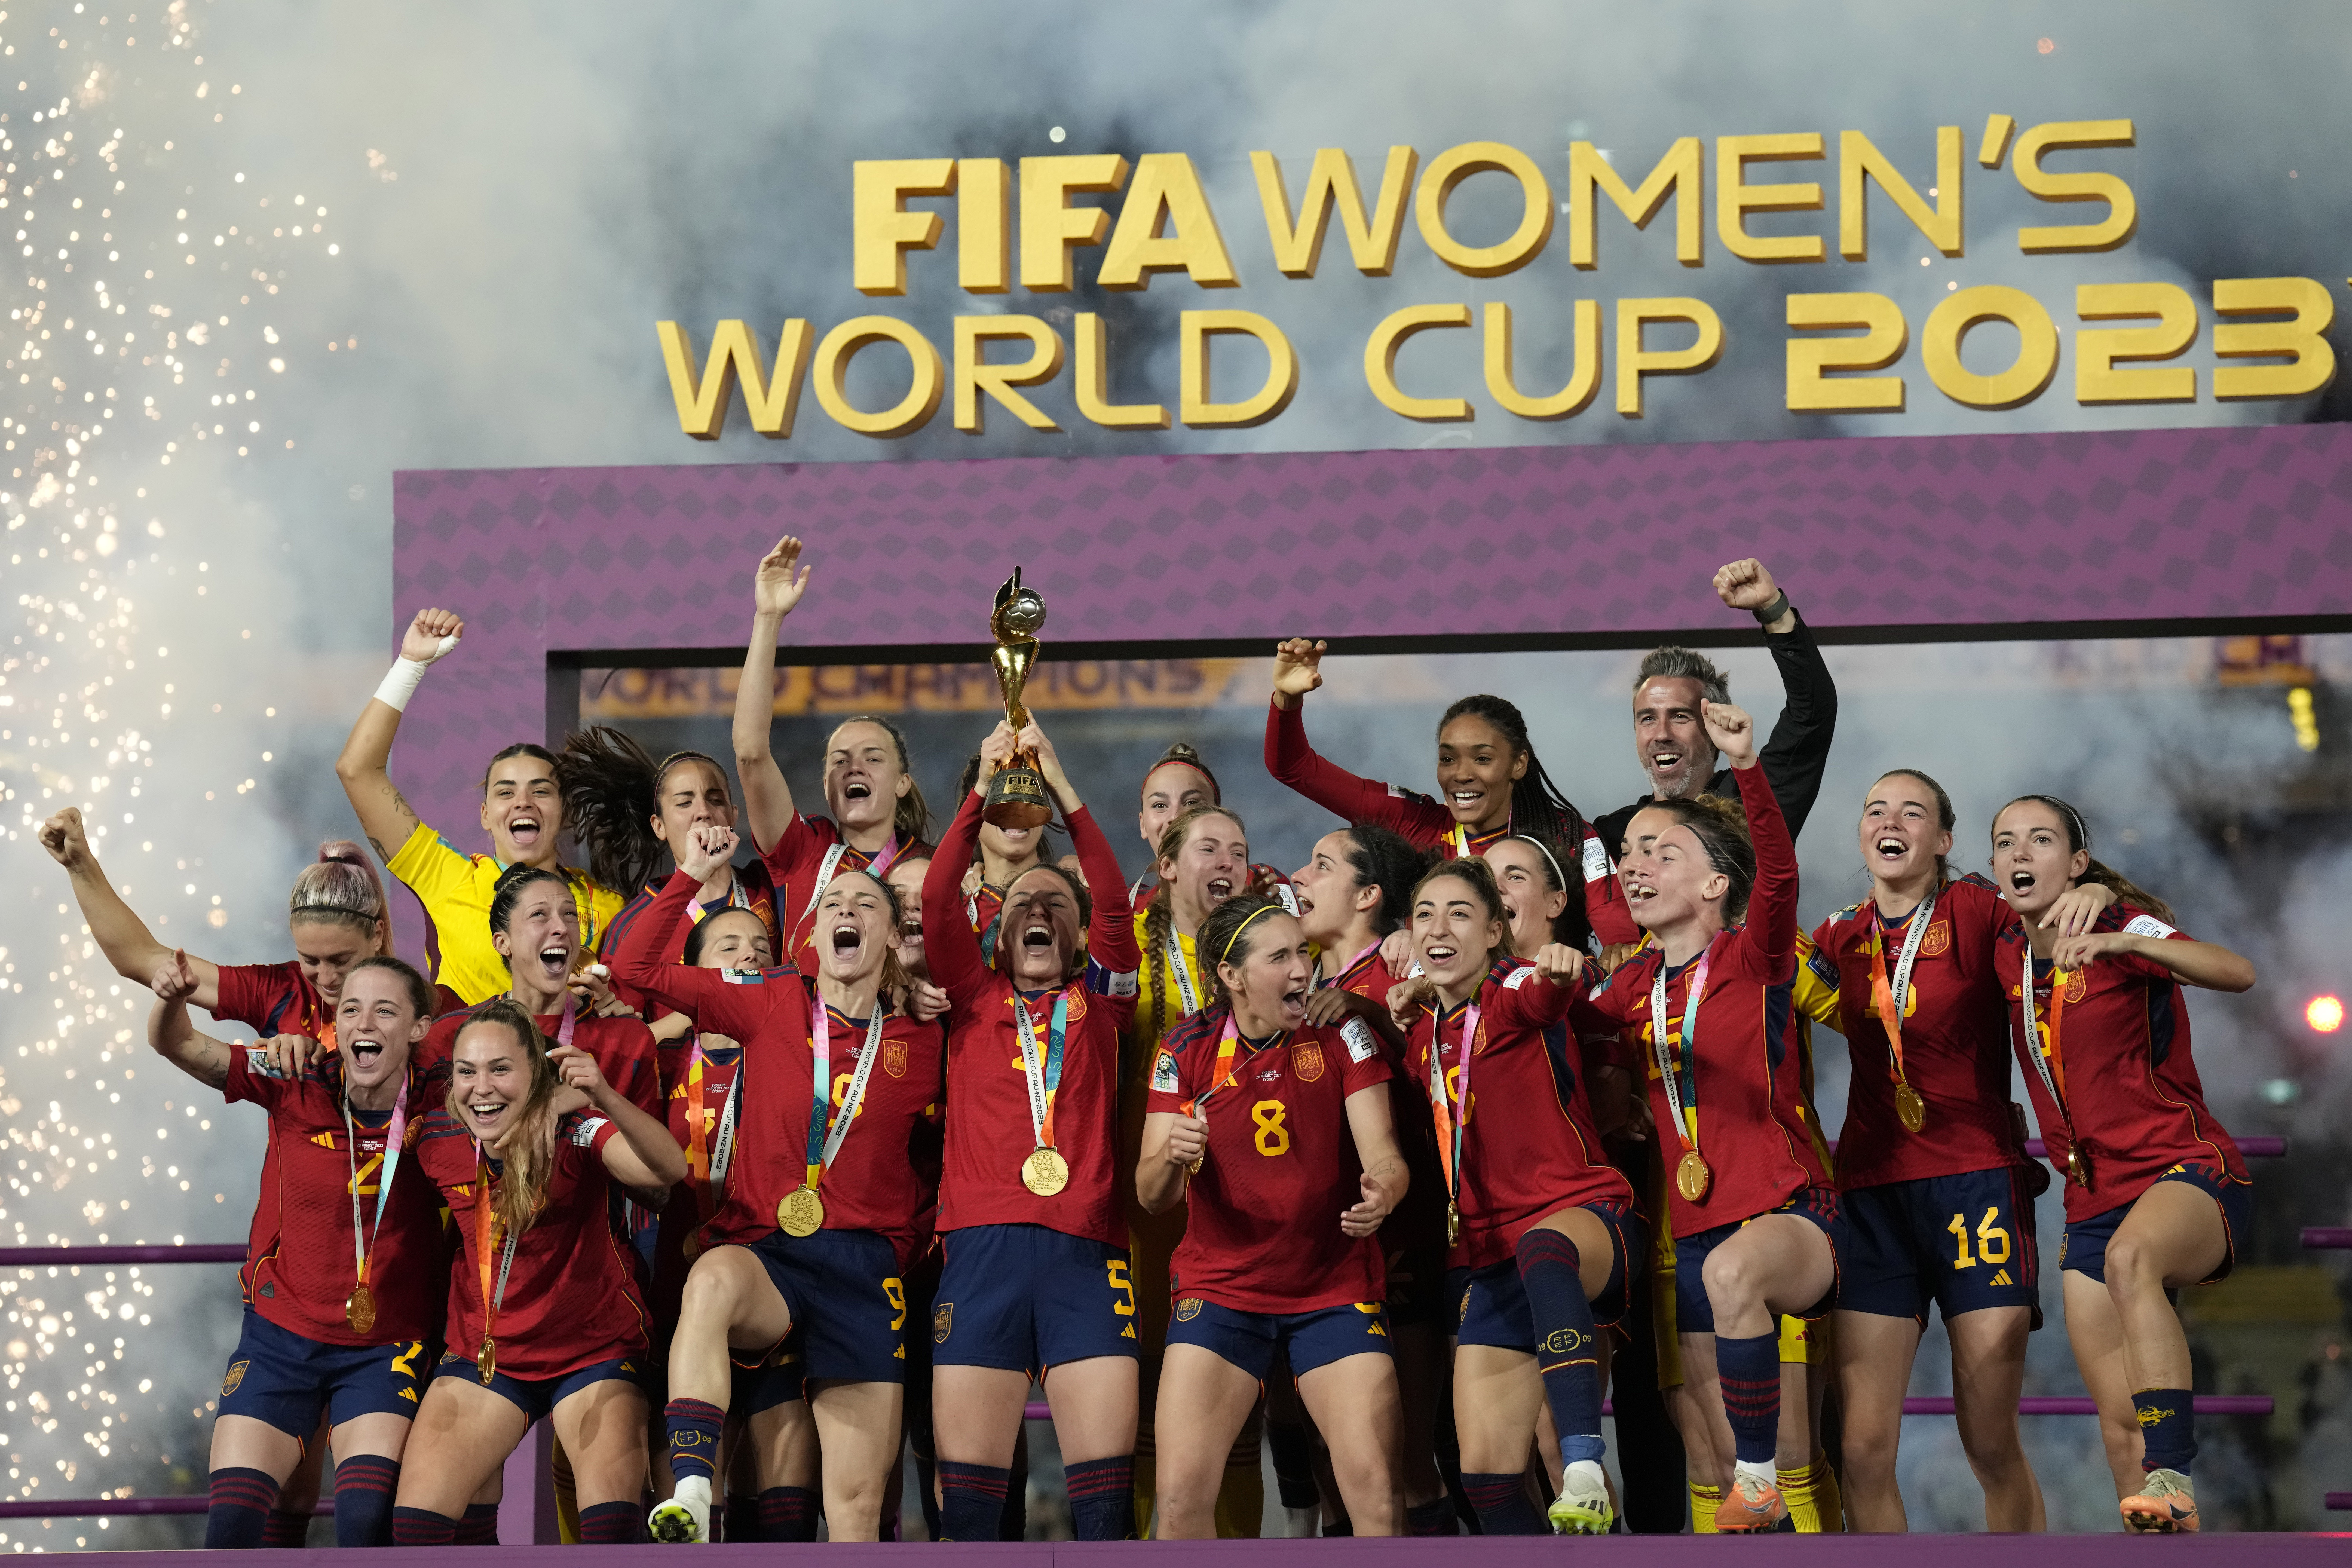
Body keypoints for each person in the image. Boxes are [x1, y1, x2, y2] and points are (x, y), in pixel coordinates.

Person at [615, 825, 946, 1543]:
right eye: (832, 905)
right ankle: (696, 1494)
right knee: (710, 1282)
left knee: (856, 1511)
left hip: (865, 1274)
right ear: (813, 935)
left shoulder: (927, 1037)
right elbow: (634, 968)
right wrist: (689, 876)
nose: (846, 912)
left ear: (891, 937)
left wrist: (907, 1242)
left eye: (866, 905)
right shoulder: (769, 1001)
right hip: (770, 1254)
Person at [1812, 771, 2113, 1532]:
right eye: (1876, 808)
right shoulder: (1837, 936)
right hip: (1872, 1194)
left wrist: (2102, 899)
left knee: (1988, 1439)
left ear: (1942, 842)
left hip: (1975, 1185)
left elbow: (2052, 931)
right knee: (1863, 1447)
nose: (1891, 820)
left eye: (1913, 812)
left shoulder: (1978, 911)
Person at [1573, 699, 1832, 1533]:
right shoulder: (1629, 985)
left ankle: (1762, 1481)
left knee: (1775, 1461)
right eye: (1630, 854)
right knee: (1710, 1465)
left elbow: (1781, 878)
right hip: (1689, 1231)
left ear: (1717, 881)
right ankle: (1754, 1497)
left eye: (1662, 851)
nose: (1635, 865)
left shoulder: (1752, 955)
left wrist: (1749, 765)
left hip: (1789, 1212)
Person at [1988, 795, 2256, 1533]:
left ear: (2076, 864)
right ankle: (2163, 1517)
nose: (2020, 854)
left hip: (2186, 1171)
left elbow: (2235, 972)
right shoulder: (2004, 948)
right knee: (2119, 1431)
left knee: (2133, 1261)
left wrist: (2121, 940)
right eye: (2005, 842)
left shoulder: (2120, 926)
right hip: (2091, 1199)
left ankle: (2176, 1475)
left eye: (2041, 840)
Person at [920, 718, 1142, 1542]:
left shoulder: (1105, 1005)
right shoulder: (974, 998)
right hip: (980, 1254)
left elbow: (1116, 900)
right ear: (996, 934)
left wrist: (1063, 784)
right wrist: (981, 787)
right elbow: (937, 899)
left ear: (1082, 936)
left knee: (1106, 1510)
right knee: (973, 1519)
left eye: (1057, 904)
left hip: (1088, 1255)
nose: (1039, 908)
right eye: (1022, 904)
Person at [145, 953, 442, 1550]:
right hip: (280, 1338)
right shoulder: (294, 1075)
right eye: (352, 1008)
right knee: (232, 1527)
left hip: (385, 1348)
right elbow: (178, 1044)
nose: (364, 1023)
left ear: (418, 1029)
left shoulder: (448, 1102)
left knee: (363, 1522)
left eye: (386, 1011)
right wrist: (171, 998)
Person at [1138, 895, 1410, 1537]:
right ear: (1232, 975)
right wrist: (1171, 1155)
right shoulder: (1186, 1047)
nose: (1301, 970)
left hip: (1333, 1286)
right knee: (1177, 1499)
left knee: (1375, 1491)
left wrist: (1385, 1193)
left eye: (1304, 953)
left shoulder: (1341, 1032)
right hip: (1223, 1289)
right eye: (1281, 956)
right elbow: (1153, 1194)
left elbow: (1388, 1157)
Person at [1387, 859, 1638, 1536]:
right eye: (1426, 913)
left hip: (1583, 1219)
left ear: (1497, 929)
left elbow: (1542, 995)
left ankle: (1585, 1464)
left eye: (1461, 913)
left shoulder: (1511, 989)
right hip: (1489, 1254)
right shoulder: (1425, 1035)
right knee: (1488, 1476)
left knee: (1544, 1246)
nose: (1439, 927)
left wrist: (1557, 970)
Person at [390, 1000, 685, 1545]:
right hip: (490, 1355)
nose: (482, 1088)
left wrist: (602, 1096)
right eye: (467, 1072)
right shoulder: (434, 1139)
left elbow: (667, 1169)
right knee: (416, 1531)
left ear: (535, 1075)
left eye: (501, 1070)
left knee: (612, 1530)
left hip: (594, 1351)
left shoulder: (574, 1129)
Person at [626, 904, 822, 1543]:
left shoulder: (799, 1059)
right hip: (681, 1301)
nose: (750, 955)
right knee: (686, 1512)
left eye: (763, 946)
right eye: (730, 944)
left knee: (782, 1503)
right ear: (694, 972)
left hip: (775, 1289)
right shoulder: (655, 1063)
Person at [1291, 824, 1454, 1535]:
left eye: (1321, 865)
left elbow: (1436, 1079)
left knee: (1407, 1468)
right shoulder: (1319, 986)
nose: (1301, 875)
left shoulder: (1396, 977)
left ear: (1368, 895)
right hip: (1333, 1260)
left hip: (1408, 1248)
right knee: (1340, 1470)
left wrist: (1373, 1014)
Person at [336, 607, 627, 1003]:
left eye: (541, 791)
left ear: (566, 813)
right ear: (486, 816)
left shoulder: (607, 907)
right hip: (467, 1064)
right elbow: (358, 771)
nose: (523, 802)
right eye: (505, 792)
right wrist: (411, 665)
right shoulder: (447, 878)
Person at [1265, 643, 1626, 948]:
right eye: (1448, 759)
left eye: (1482, 759)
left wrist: (1616, 955)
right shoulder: (1416, 823)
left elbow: (1617, 933)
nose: (1461, 774)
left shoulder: (1569, 835)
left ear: (1518, 765)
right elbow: (1295, 768)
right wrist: (1287, 700)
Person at [1125, 803, 1261, 1535]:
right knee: (1152, 1403)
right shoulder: (1121, 953)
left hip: (1244, 1210)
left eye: (1238, 852)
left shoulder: (1272, 954)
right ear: (1167, 865)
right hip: (1150, 1206)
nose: (1226, 864)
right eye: (1209, 849)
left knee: (1238, 1415)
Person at [729, 535, 935, 968]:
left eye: (873, 758)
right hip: (809, 1036)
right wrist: (768, 618)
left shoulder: (931, 869)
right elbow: (750, 753)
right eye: (839, 761)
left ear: (903, 783)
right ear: (825, 785)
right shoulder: (804, 849)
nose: (853, 767)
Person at [1589, 558, 1839, 875]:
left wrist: (1773, 611)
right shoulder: (1610, 836)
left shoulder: (1753, 801)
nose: (1661, 734)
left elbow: (1812, 714)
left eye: (1680, 716)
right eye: (1648, 719)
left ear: (1713, 727)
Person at [564, 726, 783, 1011]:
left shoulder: (771, 885)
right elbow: (630, 1034)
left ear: (733, 816)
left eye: (716, 800)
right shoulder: (633, 924)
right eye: (684, 803)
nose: (703, 811)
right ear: (659, 826)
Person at [419, 865, 661, 1118]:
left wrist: (605, 1099)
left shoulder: (628, 1039)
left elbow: (655, 1155)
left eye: (570, 914)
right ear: (503, 943)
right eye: (539, 915)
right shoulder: (449, 1037)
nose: (562, 928)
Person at [954, 746, 1055, 963]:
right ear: (971, 812)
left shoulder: (1076, 902)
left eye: (1028, 795)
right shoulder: (955, 906)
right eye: (999, 795)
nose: (1016, 809)